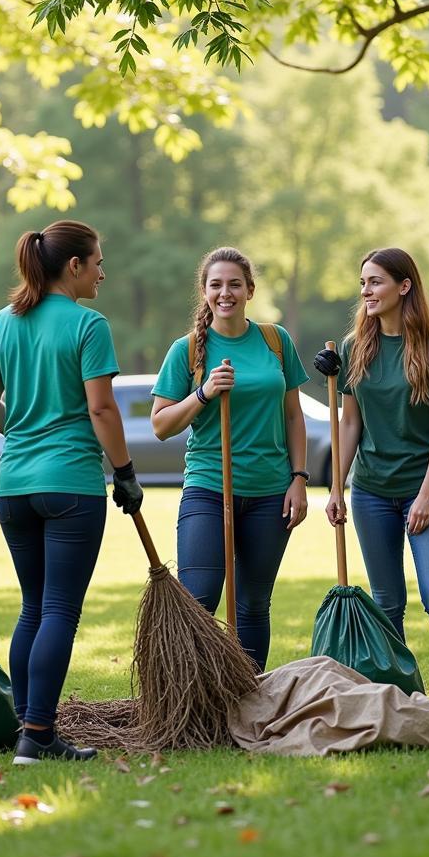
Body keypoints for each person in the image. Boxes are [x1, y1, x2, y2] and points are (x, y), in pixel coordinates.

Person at [0, 220, 142, 765]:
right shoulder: (88, 325)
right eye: (97, 261)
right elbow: (100, 409)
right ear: (74, 266)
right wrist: (125, 471)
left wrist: (24, 434)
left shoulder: (3, 322)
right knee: (61, 610)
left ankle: (28, 725)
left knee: (33, 607)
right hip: (71, 484)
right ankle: (40, 735)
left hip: (14, 484)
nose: (102, 271)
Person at [314, 247, 429, 695]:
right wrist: (336, 487)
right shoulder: (353, 347)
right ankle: (402, 695)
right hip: (371, 492)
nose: (366, 290)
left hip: (427, 490)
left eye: (376, 281)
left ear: (404, 286)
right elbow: (350, 422)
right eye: (363, 282)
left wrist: (425, 495)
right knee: (388, 603)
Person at [151, 247, 309, 671]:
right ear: (204, 293)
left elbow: (294, 416)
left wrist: (299, 478)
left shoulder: (275, 341)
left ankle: (250, 693)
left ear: (250, 290)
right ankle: (196, 694)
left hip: (270, 490)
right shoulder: (184, 351)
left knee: (254, 601)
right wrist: (203, 393)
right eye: (216, 285)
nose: (226, 293)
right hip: (208, 487)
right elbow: (161, 425)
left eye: (235, 284)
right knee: (199, 597)